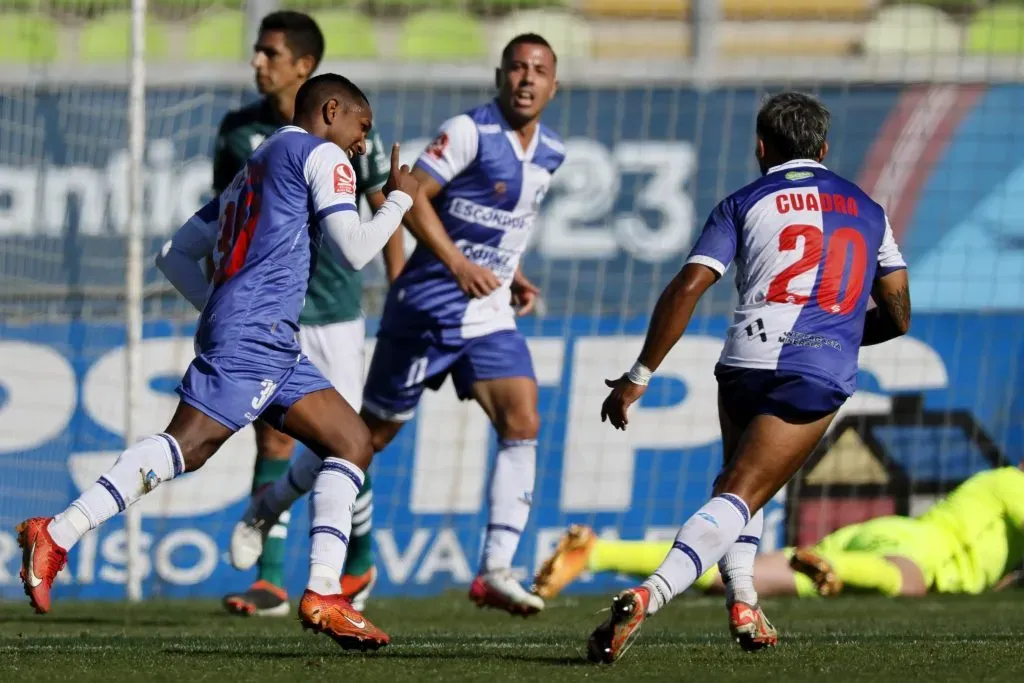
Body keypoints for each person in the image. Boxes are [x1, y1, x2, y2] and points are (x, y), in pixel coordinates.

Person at [17, 73, 417, 652]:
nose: (363, 142)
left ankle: (325, 591)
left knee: (352, 441)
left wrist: (222, 303)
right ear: (332, 110)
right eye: (363, 126)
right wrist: (399, 197)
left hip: (271, 339)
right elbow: (355, 250)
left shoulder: (254, 166)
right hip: (257, 334)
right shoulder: (321, 153)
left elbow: (174, 254)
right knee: (189, 446)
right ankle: (58, 531)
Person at [227, 33, 564, 616]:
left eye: (538, 70)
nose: (526, 79)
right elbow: (415, 195)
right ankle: (273, 503)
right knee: (364, 439)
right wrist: (456, 264)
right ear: (499, 74)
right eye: (516, 67)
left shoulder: (552, 151)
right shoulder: (468, 132)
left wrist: (512, 272)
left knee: (524, 417)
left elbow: (502, 223)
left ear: (554, 84)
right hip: (428, 308)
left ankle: (495, 569)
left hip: (485, 313)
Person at [586, 91, 912, 664]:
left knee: (739, 484)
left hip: (746, 360)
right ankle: (651, 593)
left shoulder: (742, 201)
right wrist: (838, 332)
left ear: (762, 148)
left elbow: (687, 286)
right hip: (814, 369)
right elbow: (898, 312)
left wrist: (639, 375)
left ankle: (743, 599)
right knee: (743, 492)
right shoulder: (870, 209)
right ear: (825, 148)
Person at [213, 10, 405, 618]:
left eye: (269, 53)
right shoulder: (238, 134)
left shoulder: (351, 131)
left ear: (304, 66)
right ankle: (271, 581)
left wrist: (401, 286)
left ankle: (356, 563)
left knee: (344, 437)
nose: (257, 63)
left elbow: (380, 206)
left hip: (335, 312)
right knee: (271, 431)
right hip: (268, 313)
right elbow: (227, 215)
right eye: (256, 51)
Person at [534, 464, 1024, 600]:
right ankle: (839, 569)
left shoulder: (999, 483)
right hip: (911, 549)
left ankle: (596, 552)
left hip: (872, 539)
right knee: (909, 582)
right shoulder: (1011, 483)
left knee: (736, 577)